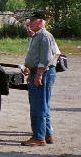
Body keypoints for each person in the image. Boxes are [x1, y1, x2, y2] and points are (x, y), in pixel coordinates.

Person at [21, 11, 58, 146]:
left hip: (44, 72)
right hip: (37, 71)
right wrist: (31, 71)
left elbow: (46, 57)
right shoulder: (37, 36)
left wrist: (39, 74)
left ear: (41, 21)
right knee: (43, 105)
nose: (30, 22)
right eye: (29, 19)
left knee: (38, 106)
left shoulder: (44, 36)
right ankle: (48, 135)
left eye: (33, 19)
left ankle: (38, 137)